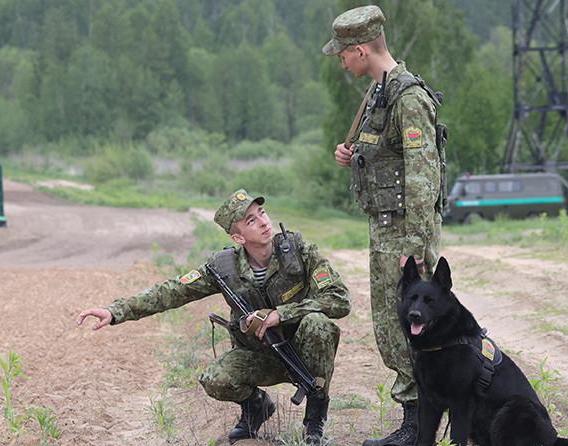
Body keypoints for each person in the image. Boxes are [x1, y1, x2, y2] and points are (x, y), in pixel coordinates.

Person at [76, 189, 351, 444]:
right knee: (215, 379)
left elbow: (339, 299)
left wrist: (282, 314)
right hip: (261, 357)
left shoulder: (300, 252)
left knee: (319, 324)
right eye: (251, 220)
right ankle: (256, 407)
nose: (264, 222)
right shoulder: (223, 269)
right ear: (238, 237)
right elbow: (171, 291)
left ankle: (314, 423)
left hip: (304, 355)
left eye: (262, 213)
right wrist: (115, 311)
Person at [322, 5, 445, 446]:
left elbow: (422, 175)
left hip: (404, 233)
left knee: (412, 325)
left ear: (360, 50)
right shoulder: (380, 92)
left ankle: (420, 427)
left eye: (342, 54)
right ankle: (415, 421)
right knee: (391, 327)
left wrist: (413, 246)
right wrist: (350, 154)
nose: (340, 60)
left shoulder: (407, 98)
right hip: (386, 228)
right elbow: (385, 155)